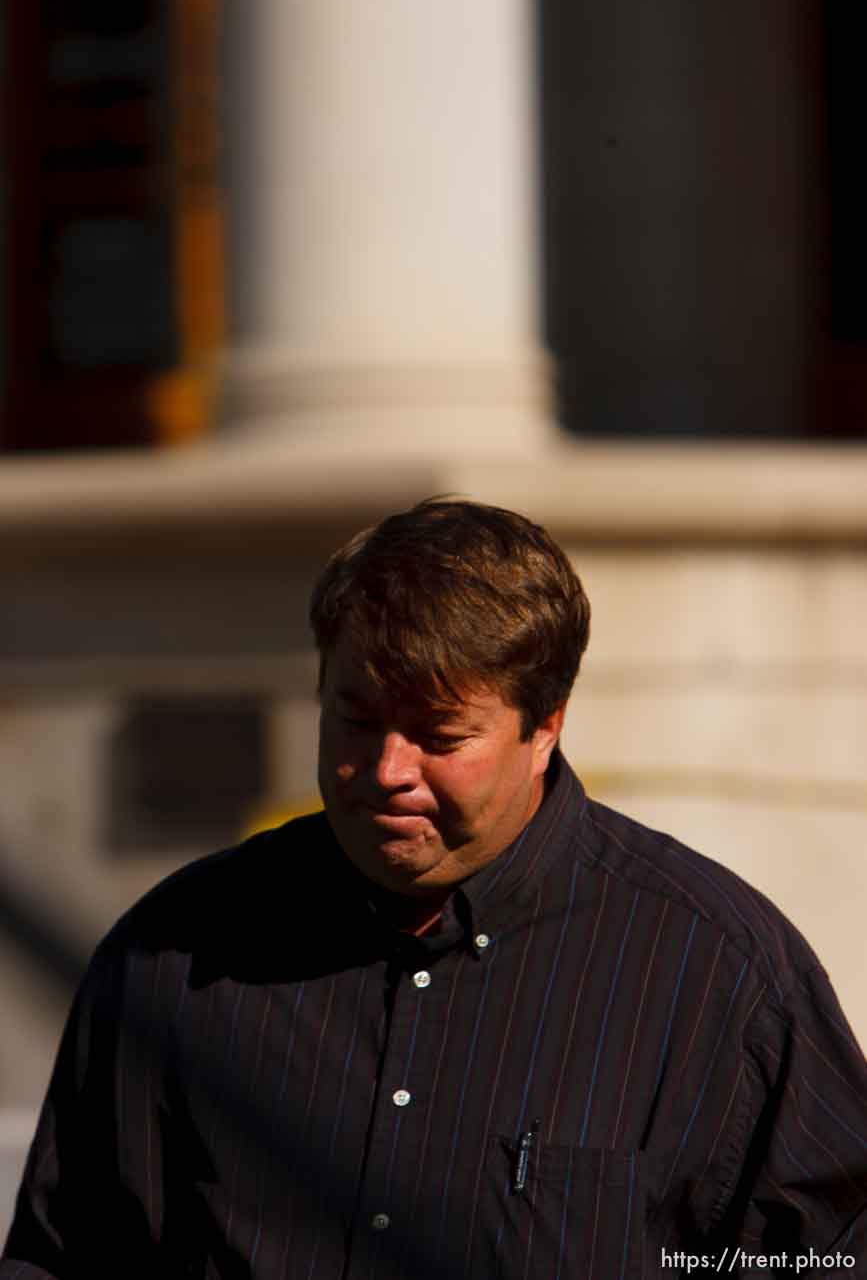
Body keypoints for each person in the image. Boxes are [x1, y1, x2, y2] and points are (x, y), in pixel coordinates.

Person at [2, 498, 866, 1279]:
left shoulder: (718, 977)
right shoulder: (178, 954)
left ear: (546, 725)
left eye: (439, 735)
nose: (386, 771)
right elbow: (68, 1258)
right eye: (356, 719)